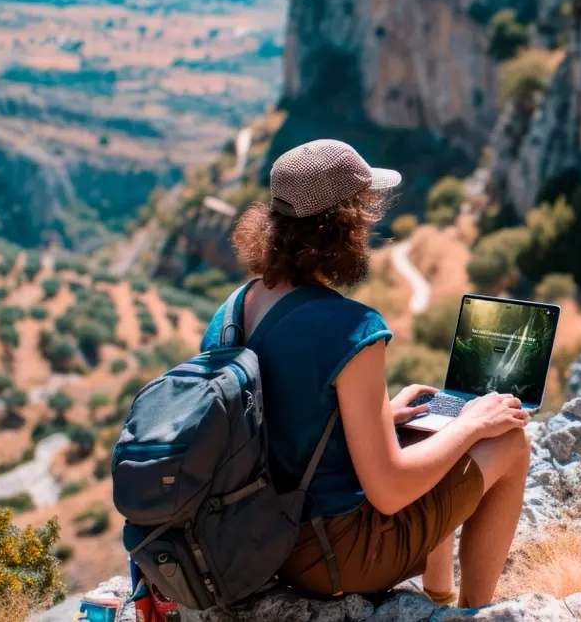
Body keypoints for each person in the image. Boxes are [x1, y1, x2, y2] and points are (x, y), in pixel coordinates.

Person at [219, 139, 530, 609]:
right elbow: (389, 492)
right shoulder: (351, 328)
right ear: (342, 225)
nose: (369, 223)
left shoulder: (233, 310)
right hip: (332, 556)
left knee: (428, 433)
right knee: (508, 442)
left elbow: (284, 417)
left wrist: (383, 414)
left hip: (259, 542)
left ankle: (439, 596)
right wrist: (471, 424)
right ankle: (471, 612)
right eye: (364, 211)